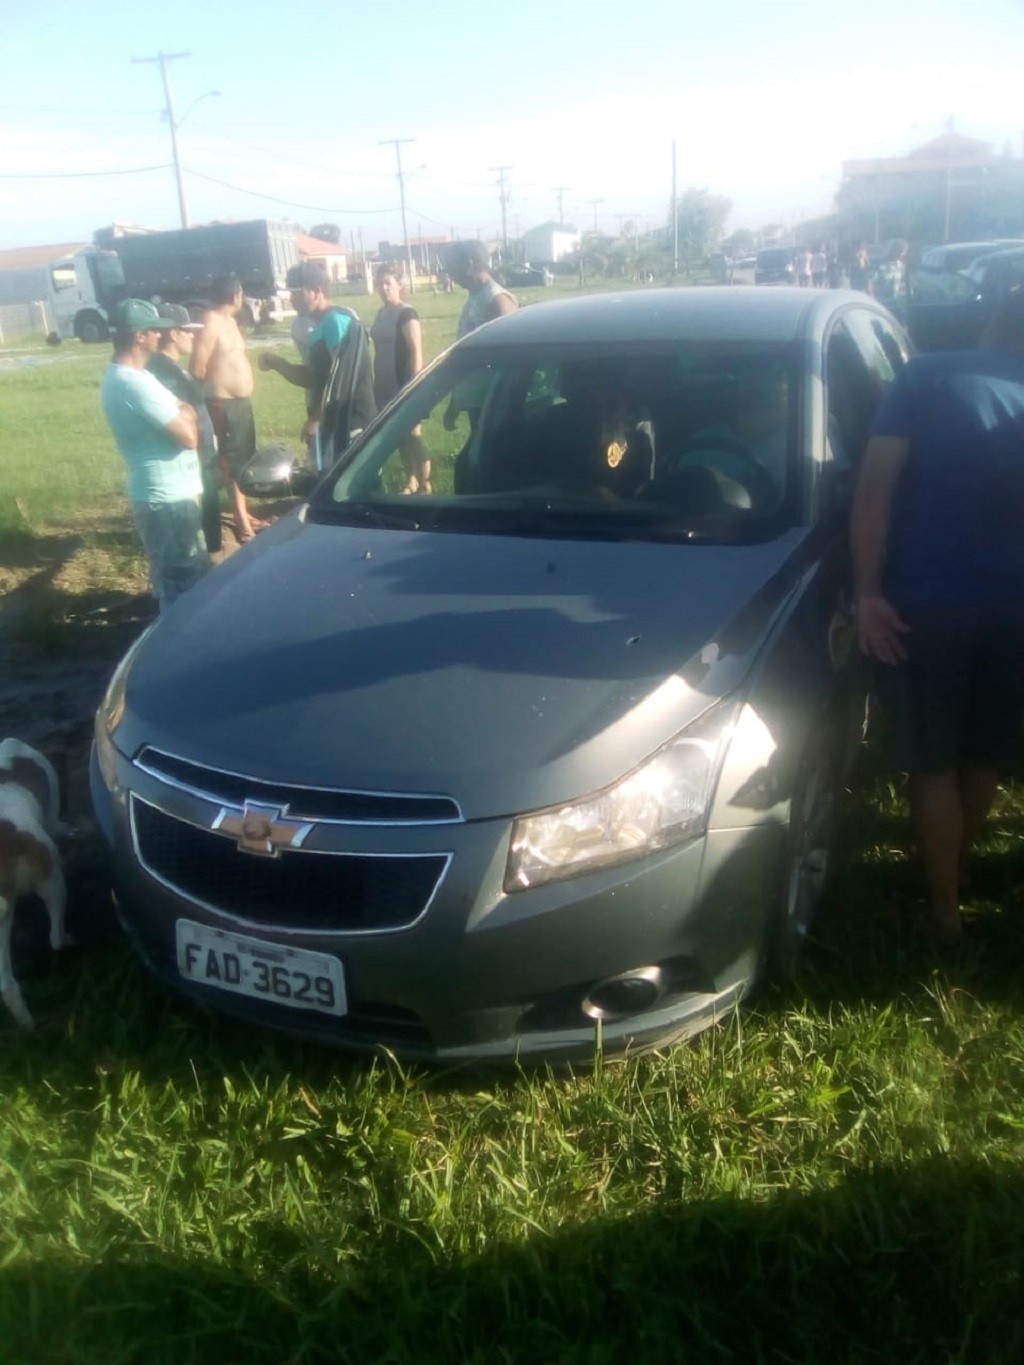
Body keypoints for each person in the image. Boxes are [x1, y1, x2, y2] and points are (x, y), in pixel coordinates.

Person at [850, 290, 1024, 948]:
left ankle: (944, 908)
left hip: (927, 605)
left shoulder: (924, 377)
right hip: (1015, 608)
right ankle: (962, 867)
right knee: (983, 754)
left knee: (934, 764)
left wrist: (867, 591)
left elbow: (874, 489)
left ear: (991, 324)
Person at [100, 298, 209, 610]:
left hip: (166, 496)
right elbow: (189, 436)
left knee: (173, 582)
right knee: (186, 588)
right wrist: (186, 413)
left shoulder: (136, 376)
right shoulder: (133, 384)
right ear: (139, 336)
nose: (160, 335)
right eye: (154, 330)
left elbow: (185, 409)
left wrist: (184, 411)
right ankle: (179, 641)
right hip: (168, 501)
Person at [259, 261, 375, 464]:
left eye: (296, 293)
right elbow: (312, 378)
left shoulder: (336, 321)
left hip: (351, 420)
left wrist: (317, 418)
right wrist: (277, 363)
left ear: (316, 291)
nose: (291, 300)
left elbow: (340, 379)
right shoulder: (323, 325)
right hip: (336, 422)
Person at [190, 273, 263, 544]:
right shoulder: (210, 323)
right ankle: (241, 522)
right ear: (235, 295)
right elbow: (197, 367)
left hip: (241, 403)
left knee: (243, 459)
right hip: (223, 404)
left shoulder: (231, 321)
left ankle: (244, 512)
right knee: (230, 462)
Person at [146, 303, 223, 554]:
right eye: (187, 330)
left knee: (209, 517)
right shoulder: (162, 372)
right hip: (191, 459)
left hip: (201, 455)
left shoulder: (173, 367)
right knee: (199, 529)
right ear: (173, 333)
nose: (193, 335)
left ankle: (211, 553)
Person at [370, 264, 430, 493]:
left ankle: (425, 484)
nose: (383, 288)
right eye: (380, 284)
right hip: (383, 385)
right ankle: (410, 481)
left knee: (413, 435)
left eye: (388, 283)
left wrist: (412, 387)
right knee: (398, 435)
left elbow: (416, 352)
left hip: (404, 384)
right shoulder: (380, 313)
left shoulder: (407, 313)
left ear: (399, 285)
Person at [446, 240, 518, 339]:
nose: (449, 271)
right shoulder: (476, 295)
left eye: (452, 264)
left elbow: (505, 344)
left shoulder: (498, 303)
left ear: (470, 264)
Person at [871, 238, 908, 310]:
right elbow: (871, 282)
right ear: (894, 251)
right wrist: (873, 299)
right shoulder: (881, 265)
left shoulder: (901, 266)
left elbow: (903, 286)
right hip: (881, 304)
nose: (903, 254)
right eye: (901, 251)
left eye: (904, 251)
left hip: (896, 304)